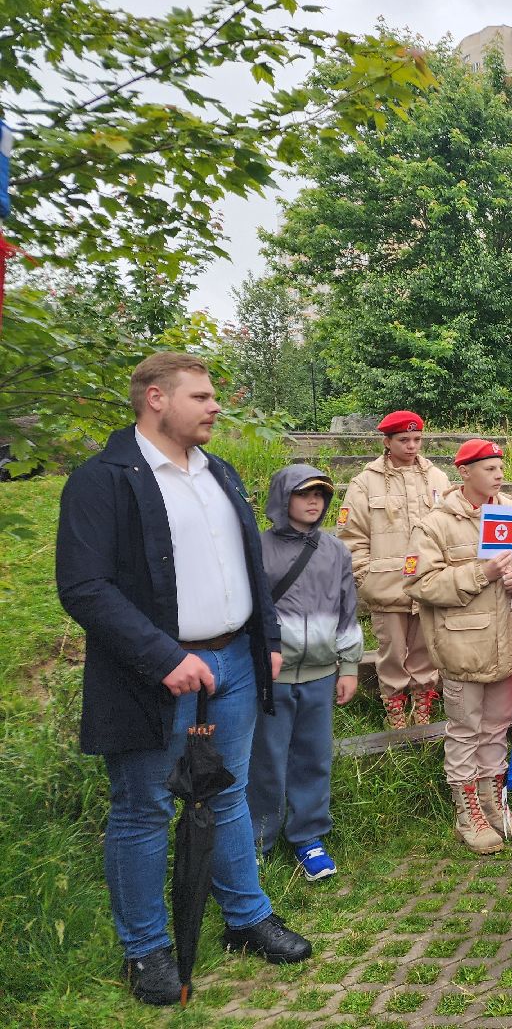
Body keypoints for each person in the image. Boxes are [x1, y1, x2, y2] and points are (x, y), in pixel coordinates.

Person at [56, 352, 311, 1007]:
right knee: (143, 809)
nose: (215, 405)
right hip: (154, 676)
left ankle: (247, 918)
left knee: (226, 795)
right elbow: (83, 587)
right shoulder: (103, 480)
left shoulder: (218, 473)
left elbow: (247, 567)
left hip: (233, 665)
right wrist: (164, 656)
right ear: (155, 399)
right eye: (200, 395)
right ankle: (146, 950)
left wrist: (267, 641)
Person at [406, 439, 512, 856]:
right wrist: (480, 573)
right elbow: (419, 583)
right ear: (464, 472)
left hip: (508, 643)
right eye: (489, 467)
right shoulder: (435, 525)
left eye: (500, 467)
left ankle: (493, 804)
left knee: (497, 728)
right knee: (465, 732)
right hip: (463, 648)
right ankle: (468, 815)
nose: (499, 474)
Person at [249, 465, 363, 882]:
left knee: (313, 760)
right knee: (266, 762)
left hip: (319, 674)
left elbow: (346, 611)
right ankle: (256, 843)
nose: (313, 501)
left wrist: (348, 665)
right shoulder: (256, 548)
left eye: (320, 494)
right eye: (303, 494)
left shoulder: (336, 551)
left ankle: (309, 838)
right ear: (283, 498)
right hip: (271, 677)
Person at [336, 410, 451, 729]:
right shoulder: (365, 483)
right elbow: (351, 537)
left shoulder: (438, 478)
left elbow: (449, 527)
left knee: (426, 650)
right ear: (387, 442)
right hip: (386, 587)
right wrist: (367, 578)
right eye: (404, 440)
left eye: (417, 439)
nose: (412, 446)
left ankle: (424, 702)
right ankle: (395, 709)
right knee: (392, 653)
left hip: (428, 585)